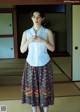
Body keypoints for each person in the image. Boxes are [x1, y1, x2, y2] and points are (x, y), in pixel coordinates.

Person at [20, 9, 55, 112]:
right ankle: (34, 110)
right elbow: (22, 50)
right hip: (30, 64)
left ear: (42, 18)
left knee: (45, 88)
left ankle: (45, 110)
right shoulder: (26, 33)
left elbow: (52, 49)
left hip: (45, 64)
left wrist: (43, 40)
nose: (36, 19)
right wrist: (29, 40)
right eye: (34, 17)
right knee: (32, 88)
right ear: (31, 18)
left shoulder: (47, 32)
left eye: (38, 17)